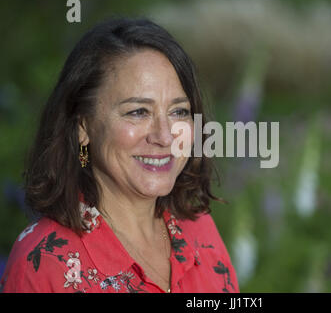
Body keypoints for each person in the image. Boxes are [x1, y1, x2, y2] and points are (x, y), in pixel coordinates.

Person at [0, 17, 239, 293]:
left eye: (178, 112)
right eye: (138, 112)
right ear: (82, 128)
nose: (164, 136)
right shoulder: (44, 264)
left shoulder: (199, 230)